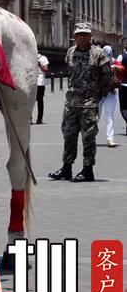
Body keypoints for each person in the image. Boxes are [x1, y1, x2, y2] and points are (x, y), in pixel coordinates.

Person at [49, 23, 115, 183]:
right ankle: (66, 168)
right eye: (79, 34)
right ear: (75, 36)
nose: (82, 37)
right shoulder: (70, 52)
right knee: (69, 135)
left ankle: (87, 170)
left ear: (90, 36)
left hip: (89, 103)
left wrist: (99, 94)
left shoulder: (98, 54)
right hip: (71, 102)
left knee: (88, 137)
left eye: (85, 34)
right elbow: (71, 73)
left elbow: (108, 77)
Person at [101, 45, 119, 146]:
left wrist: (115, 68)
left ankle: (110, 138)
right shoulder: (98, 61)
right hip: (99, 92)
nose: (108, 54)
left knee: (110, 116)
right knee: (95, 116)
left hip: (111, 92)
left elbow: (122, 70)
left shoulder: (115, 62)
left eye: (109, 52)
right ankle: (90, 136)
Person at [35, 52, 49, 124]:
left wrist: (40, 65)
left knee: (40, 101)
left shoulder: (43, 58)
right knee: (30, 102)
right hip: (32, 83)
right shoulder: (30, 57)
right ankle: (29, 119)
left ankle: (39, 119)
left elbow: (46, 69)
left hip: (40, 83)